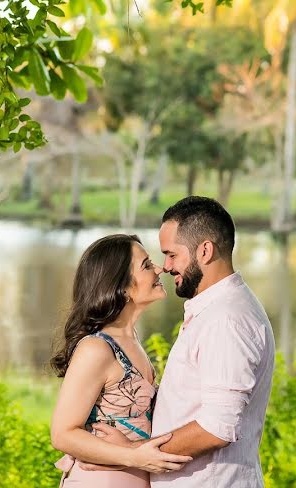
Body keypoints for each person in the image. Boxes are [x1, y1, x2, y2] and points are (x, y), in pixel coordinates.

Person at [90, 196, 276, 487]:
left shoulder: (225, 320)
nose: (165, 267)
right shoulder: (216, 311)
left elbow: (217, 427)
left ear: (204, 251)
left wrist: (129, 452)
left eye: (172, 255)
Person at [50, 234, 193, 487]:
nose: (160, 268)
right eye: (147, 265)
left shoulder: (132, 340)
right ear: (122, 287)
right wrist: (134, 456)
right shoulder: (96, 348)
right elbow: (62, 434)